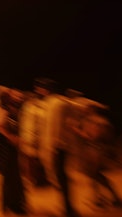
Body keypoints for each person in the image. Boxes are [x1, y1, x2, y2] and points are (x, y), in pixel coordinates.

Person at [36, 78, 80, 217]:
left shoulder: (57, 104)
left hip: (57, 147)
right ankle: (66, 206)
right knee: (59, 178)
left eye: (40, 88)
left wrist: (54, 147)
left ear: (45, 90)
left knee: (61, 178)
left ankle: (68, 208)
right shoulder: (53, 103)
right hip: (56, 146)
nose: (38, 91)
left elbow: (54, 127)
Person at [72, 99, 122, 210]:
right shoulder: (96, 120)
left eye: (85, 108)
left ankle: (100, 200)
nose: (82, 110)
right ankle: (109, 198)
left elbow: (94, 137)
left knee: (94, 176)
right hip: (96, 150)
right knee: (97, 176)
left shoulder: (97, 121)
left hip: (96, 151)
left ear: (91, 110)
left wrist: (77, 131)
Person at [0, 88, 28, 215]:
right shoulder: (0, 109)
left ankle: (12, 203)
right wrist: (10, 137)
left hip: (11, 146)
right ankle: (10, 204)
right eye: (12, 95)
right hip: (5, 147)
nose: (17, 97)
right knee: (9, 175)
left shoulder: (13, 108)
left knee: (14, 176)